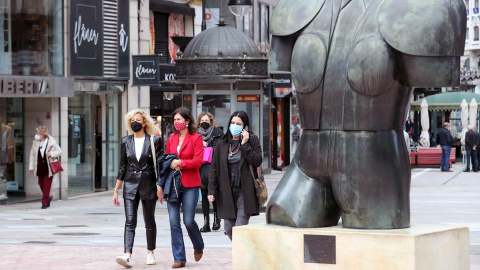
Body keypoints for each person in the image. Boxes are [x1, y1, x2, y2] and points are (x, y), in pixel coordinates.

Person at [113, 109, 162, 268]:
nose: (135, 122)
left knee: (149, 221)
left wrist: (159, 187)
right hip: (130, 185)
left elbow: (159, 167)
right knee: (130, 221)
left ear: (144, 123)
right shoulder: (125, 141)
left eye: (138, 120)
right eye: (132, 120)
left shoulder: (154, 140)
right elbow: (122, 166)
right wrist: (116, 190)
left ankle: (150, 252)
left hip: (148, 184)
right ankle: (127, 255)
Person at [157, 107, 204, 269]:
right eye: (175, 120)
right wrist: (160, 186)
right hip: (172, 184)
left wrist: (180, 163)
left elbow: (198, 161)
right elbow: (165, 163)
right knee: (173, 222)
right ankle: (179, 257)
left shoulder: (196, 138)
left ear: (187, 121)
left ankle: (198, 245)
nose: (176, 122)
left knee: (189, 221)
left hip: (190, 184)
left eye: (179, 120)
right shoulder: (171, 138)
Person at [207, 111, 263, 241]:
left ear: (244, 126)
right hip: (226, 191)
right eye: (232, 123)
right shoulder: (223, 142)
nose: (235, 125)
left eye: (238, 123)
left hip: (245, 191)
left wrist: (245, 144)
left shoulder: (252, 139)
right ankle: (245, 252)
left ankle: (241, 259)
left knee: (239, 229)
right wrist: (211, 190)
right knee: (228, 229)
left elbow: (257, 161)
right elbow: (214, 167)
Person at [196, 112, 224, 233]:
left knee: (215, 194)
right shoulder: (195, 135)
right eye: (202, 120)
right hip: (201, 168)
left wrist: (209, 146)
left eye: (207, 121)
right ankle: (206, 222)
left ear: (211, 122)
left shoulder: (218, 133)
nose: (204, 122)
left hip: (214, 167)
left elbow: (222, 149)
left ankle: (217, 219)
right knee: (204, 194)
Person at [28, 126, 62, 209]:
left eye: (38, 133)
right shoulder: (35, 142)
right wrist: (31, 167)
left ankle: (44, 203)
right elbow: (32, 155)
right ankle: (48, 197)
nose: (36, 135)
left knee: (46, 185)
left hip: (48, 168)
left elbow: (59, 151)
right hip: (39, 167)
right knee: (40, 183)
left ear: (43, 134)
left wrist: (51, 154)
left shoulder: (51, 142)